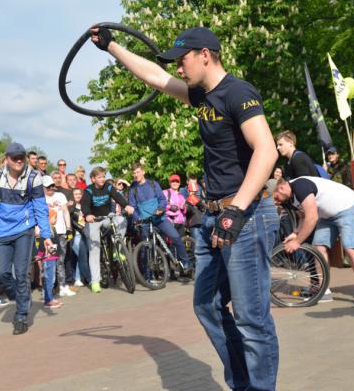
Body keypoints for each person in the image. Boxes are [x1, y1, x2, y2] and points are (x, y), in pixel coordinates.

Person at [91, 24, 280, 390]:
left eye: (183, 60)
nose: (179, 68)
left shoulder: (237, 92)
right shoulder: (201, 95)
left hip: (245, 215)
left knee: (251, 319)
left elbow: (267, 150)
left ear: (205, 56)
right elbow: (156, 77)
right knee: (206, 304)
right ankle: (242, 383)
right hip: (213, 217)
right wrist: (112, 46)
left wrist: (236, 210)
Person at [0, 142, 52, 335]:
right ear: (7, 159)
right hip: (2, 231)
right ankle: (19, 295)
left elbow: (41, 208)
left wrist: (46, 235)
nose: (18, 161)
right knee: (1, 273)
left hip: (24, 230)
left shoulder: (34, 178)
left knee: (21, 273)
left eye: (21, 157)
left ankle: (21, 316)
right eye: (14, 158)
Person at [273, 176, 354, 307]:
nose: (276, 202)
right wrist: (296, 232)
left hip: (346, 207)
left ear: (281, 187)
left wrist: (297, 242)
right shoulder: (288, 198)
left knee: (350, 248)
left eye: (275, 197)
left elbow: (312, 218)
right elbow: (303, 216)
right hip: (326, 216)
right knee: (319, 248)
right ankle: (324, 291)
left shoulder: (300, 186)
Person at [127, 164, 190, 275]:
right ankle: (147, 275)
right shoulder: (133, 189)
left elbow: (162, 199)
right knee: (145, 249)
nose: (136, 175)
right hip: (145, 222)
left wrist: (161, 208)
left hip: (159, 218)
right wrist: (137, 219)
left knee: (175, 237)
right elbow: (133, 207)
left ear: (143, 172)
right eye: (134, 173)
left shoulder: (153, 184)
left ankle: (185, 262)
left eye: (138, 172)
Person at [81, 166, 129, 293]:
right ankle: (95, 281)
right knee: (95, 250)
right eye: (99, 177)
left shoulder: (108, 187)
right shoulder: (88, 190)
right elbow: (84, 204)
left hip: (107, 218)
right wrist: (87, 215)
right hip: (94, 220)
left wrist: (127, 205)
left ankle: (117, 251)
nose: (102, 179)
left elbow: (118, 197)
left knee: (122, 220)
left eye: (103, 176)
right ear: (92, 179)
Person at [42, 175, 74, 298]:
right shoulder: (40, 199)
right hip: (48, 234)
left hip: (60, 232)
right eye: (48, 187)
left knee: (61, 259)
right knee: (49, 261)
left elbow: (66, 212)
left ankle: (62, 286)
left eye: (52, 186)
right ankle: (49, 288)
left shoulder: (60, 196)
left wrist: (68, 228)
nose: (51, 188)